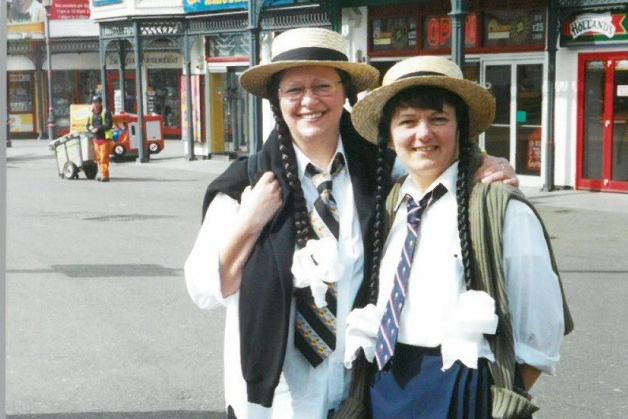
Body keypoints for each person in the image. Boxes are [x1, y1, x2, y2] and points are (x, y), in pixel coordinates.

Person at [184, 28, 518, 419]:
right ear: (277, 99)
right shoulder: (246, 184)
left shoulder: (380, 171)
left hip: (356, 390)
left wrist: (487, 164)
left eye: (323, 85)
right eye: (294, 90)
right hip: (275, 398)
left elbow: (432, 155)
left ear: (345, 92)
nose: (309, 101)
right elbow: (206, 290)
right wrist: (249, 222)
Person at [346, 55, 574, 419]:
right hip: (386, 385)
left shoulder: (501, 208)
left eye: (439, 119)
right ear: (389, 136)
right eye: (407, 121)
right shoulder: (390, 204)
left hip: (461, 391)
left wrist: (490, 399)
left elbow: (541, 331)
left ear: (462, 129)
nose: (423, 134)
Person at [86, 95, 114, 182]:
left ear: (100, 103)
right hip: (96, 139)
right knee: (98, 159)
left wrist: (98, 129)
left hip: (105, 139)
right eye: (94, 103)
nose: (95, 105)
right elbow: (87, 125)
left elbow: (109, 125)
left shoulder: (106, 112)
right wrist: (90, 128)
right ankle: (102, 174)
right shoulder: (91, 113)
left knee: (103, 158)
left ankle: (105, 176)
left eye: (97, 103)